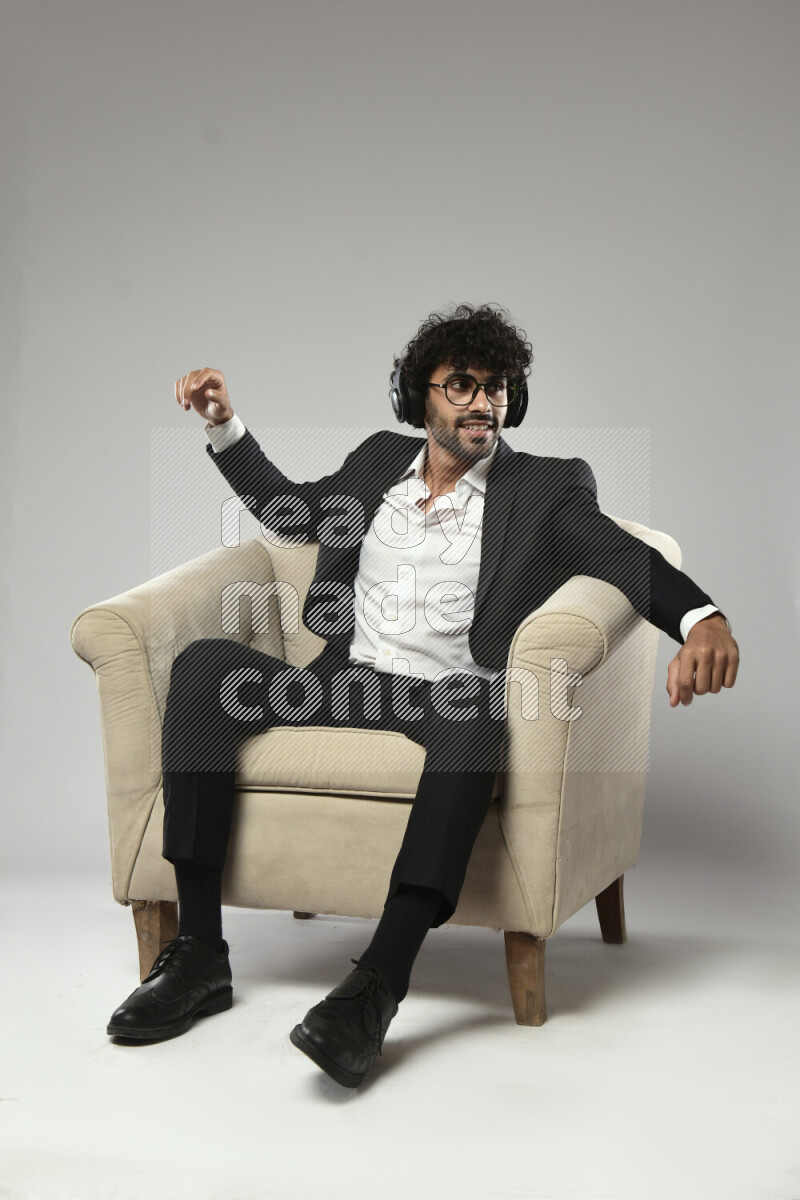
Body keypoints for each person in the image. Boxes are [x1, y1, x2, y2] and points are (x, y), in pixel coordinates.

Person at [106, 302, 739, 1087]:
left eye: (499, 386)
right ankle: (200, 952)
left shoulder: (544, 489)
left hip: (442, 697)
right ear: (421, 397)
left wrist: (702, 618)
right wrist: (225, 425)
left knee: (479, 722)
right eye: (463, 385)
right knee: (204, 667)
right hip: (341, 683)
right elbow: (291, 513)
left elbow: (622, 556)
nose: (485, 402)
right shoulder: (378, 464)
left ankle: (376, 986)